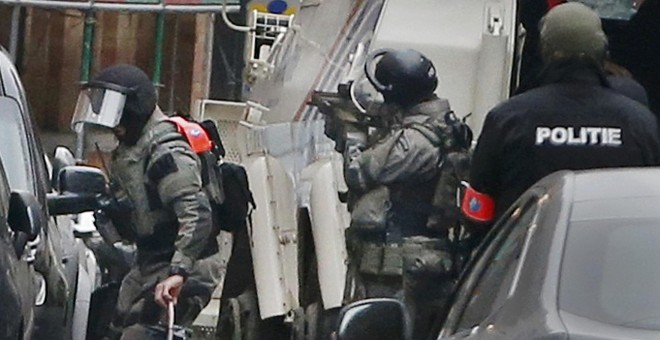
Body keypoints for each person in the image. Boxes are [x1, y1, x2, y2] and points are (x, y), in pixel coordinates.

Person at [463, 2, 660, 230]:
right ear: (602, 50)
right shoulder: (640, 123)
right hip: (613, 258)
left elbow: (477, 215)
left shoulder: (507, 119)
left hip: (527, 260)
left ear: (544, 50)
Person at [323, 48, 470, 338]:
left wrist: (351, 134)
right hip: (405, 265)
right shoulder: (434, 128)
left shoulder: (417, 140)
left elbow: (359, 173)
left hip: (400, 267)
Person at [71, 64, 224, 339]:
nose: (110, 124)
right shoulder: (133, 149)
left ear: (133, 107)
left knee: (142, 333)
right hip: (150, 261)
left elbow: (197, 215)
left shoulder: (165, 151)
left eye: (114, 110)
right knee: (113, 327)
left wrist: (179, 272)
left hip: (187, 264)